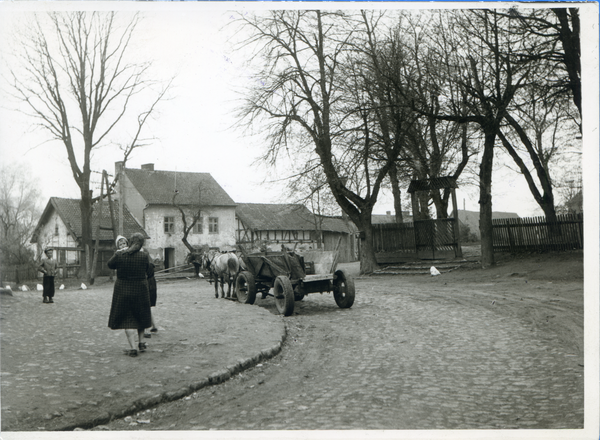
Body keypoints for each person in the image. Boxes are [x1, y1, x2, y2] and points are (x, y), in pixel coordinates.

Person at [107, 233, 153, 357]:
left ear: (130, 242)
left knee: (127, 319)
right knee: (141, 316)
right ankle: (142, 342)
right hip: (141, 290)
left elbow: (110, 264)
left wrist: (120, 253)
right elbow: (150, 271)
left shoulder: (120, 254)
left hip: (123, 290)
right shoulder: (144, 256)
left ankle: (133, 348)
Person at [144, 252, 158, 338]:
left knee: (145, 306)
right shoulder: (151, 264)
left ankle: (145, 329)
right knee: (150, 306)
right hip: (153, 284)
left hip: (147, 284)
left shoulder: (144, 265)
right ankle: (154, 325)